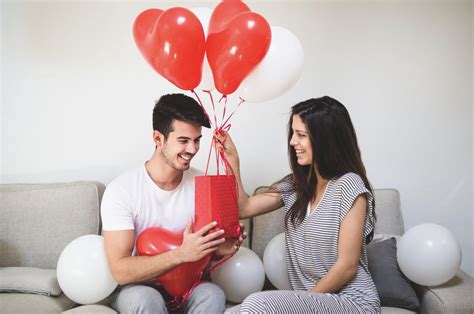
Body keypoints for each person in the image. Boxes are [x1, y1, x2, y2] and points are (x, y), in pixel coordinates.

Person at [216, 96, 381, 313]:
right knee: (232, 312)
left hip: (353, 303)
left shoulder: (349, 185)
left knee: (257, 303)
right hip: (311, 303)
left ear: (325, 140)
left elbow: (347, 266)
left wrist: (301, 305)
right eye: (293, 133)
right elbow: (243, 208)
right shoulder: (296, 185)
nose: (293, 141)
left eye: (301, 135)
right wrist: (233, 161)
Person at [101, 93, 245, 313]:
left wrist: (220, 250)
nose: (193, 149)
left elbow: (203, 252)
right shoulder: (122, 190)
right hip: (139, 287)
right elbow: (120, 271)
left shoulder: (201, 184)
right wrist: (180, 254)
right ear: (158, 139)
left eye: (197, 140)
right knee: (146, 300)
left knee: (212, 295)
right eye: (183, 141)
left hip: (189, 285)